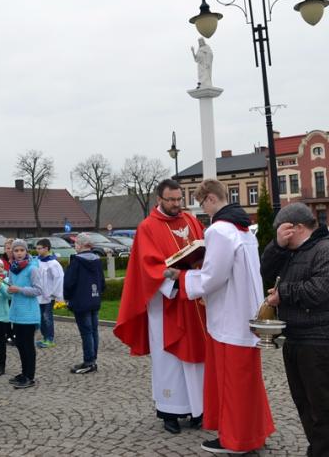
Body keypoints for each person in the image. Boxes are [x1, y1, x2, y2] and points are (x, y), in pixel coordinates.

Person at [166, 179, 274, 453]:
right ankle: (254, 434)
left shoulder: (219, 230)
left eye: (203, 204)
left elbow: (213, 277)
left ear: (211, 198)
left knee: (231, 384)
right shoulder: (244, 228)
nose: (203, 210)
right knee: (247, 383)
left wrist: (183, 276)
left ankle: (235, 441)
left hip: (229, 319)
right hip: (247, 314)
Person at [114, 178, 206, 434]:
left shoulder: (190, 221)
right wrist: (173, 279)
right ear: (159, 200)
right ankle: (170, 412)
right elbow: (146, 266)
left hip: (192, 302)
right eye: (171, 200)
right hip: (165, 303)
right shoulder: (148, 227)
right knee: (169, 361)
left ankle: (198, 409)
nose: (177, 204)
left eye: (179, 199)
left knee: (196, 359)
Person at [261, 202, 329, 457]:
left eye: (281, 229)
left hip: (319, 342)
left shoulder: (328, 250)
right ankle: (319, 451)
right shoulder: (291, 252)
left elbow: (320, 291)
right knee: (306, 405)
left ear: (296, 227)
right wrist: (277, 246)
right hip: (296, 339)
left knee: (325, 409)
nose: (278, 233)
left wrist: (283, 294)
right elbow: (264, 271)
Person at [63, 233, 105, 373]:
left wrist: (67, 297)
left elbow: (69, 283)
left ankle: (88, 362)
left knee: (86, 332)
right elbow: (102, 282)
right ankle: (92, 360)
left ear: (81, 245)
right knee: (93, 331)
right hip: (94, 299)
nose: (74, 245)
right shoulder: (97, 260)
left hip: (80, 301)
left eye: (76, 243)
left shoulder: (76, 261)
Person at [7, 239, 42, 389]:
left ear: (26, 251)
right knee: (20, 344)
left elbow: (38, 290)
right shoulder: (13, 268)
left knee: (28, 346)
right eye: (16, 250)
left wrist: (19, 289)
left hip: (29, 313)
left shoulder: (32, 268)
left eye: (22, 250)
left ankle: (30, 376)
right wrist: (7, 288)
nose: (19, 253)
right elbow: (12, 287)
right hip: (17, 312)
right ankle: (24, 372)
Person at [35, 238, 64, 349]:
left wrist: (55, 294)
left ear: (46, 248)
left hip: (48, 296)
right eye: (37, 248)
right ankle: (44, 337)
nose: (37, 251)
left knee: (47, 317)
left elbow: (59, 279)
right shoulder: (37, 261)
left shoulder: (53, 263)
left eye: (39, 248)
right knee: (40, 317)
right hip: (38, 295)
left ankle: (50, 338)